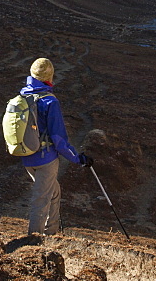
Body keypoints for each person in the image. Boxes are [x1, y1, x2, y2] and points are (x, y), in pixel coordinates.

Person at [19, 57, 92, 236]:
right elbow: (58, 139)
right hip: (46, 159)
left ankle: (51, 233)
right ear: (49, 77)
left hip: (27, 156)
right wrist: (77, 158)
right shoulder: (50, 102)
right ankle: (33, 241)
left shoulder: (23, 96)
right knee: (41, 199)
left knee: (53, 192)